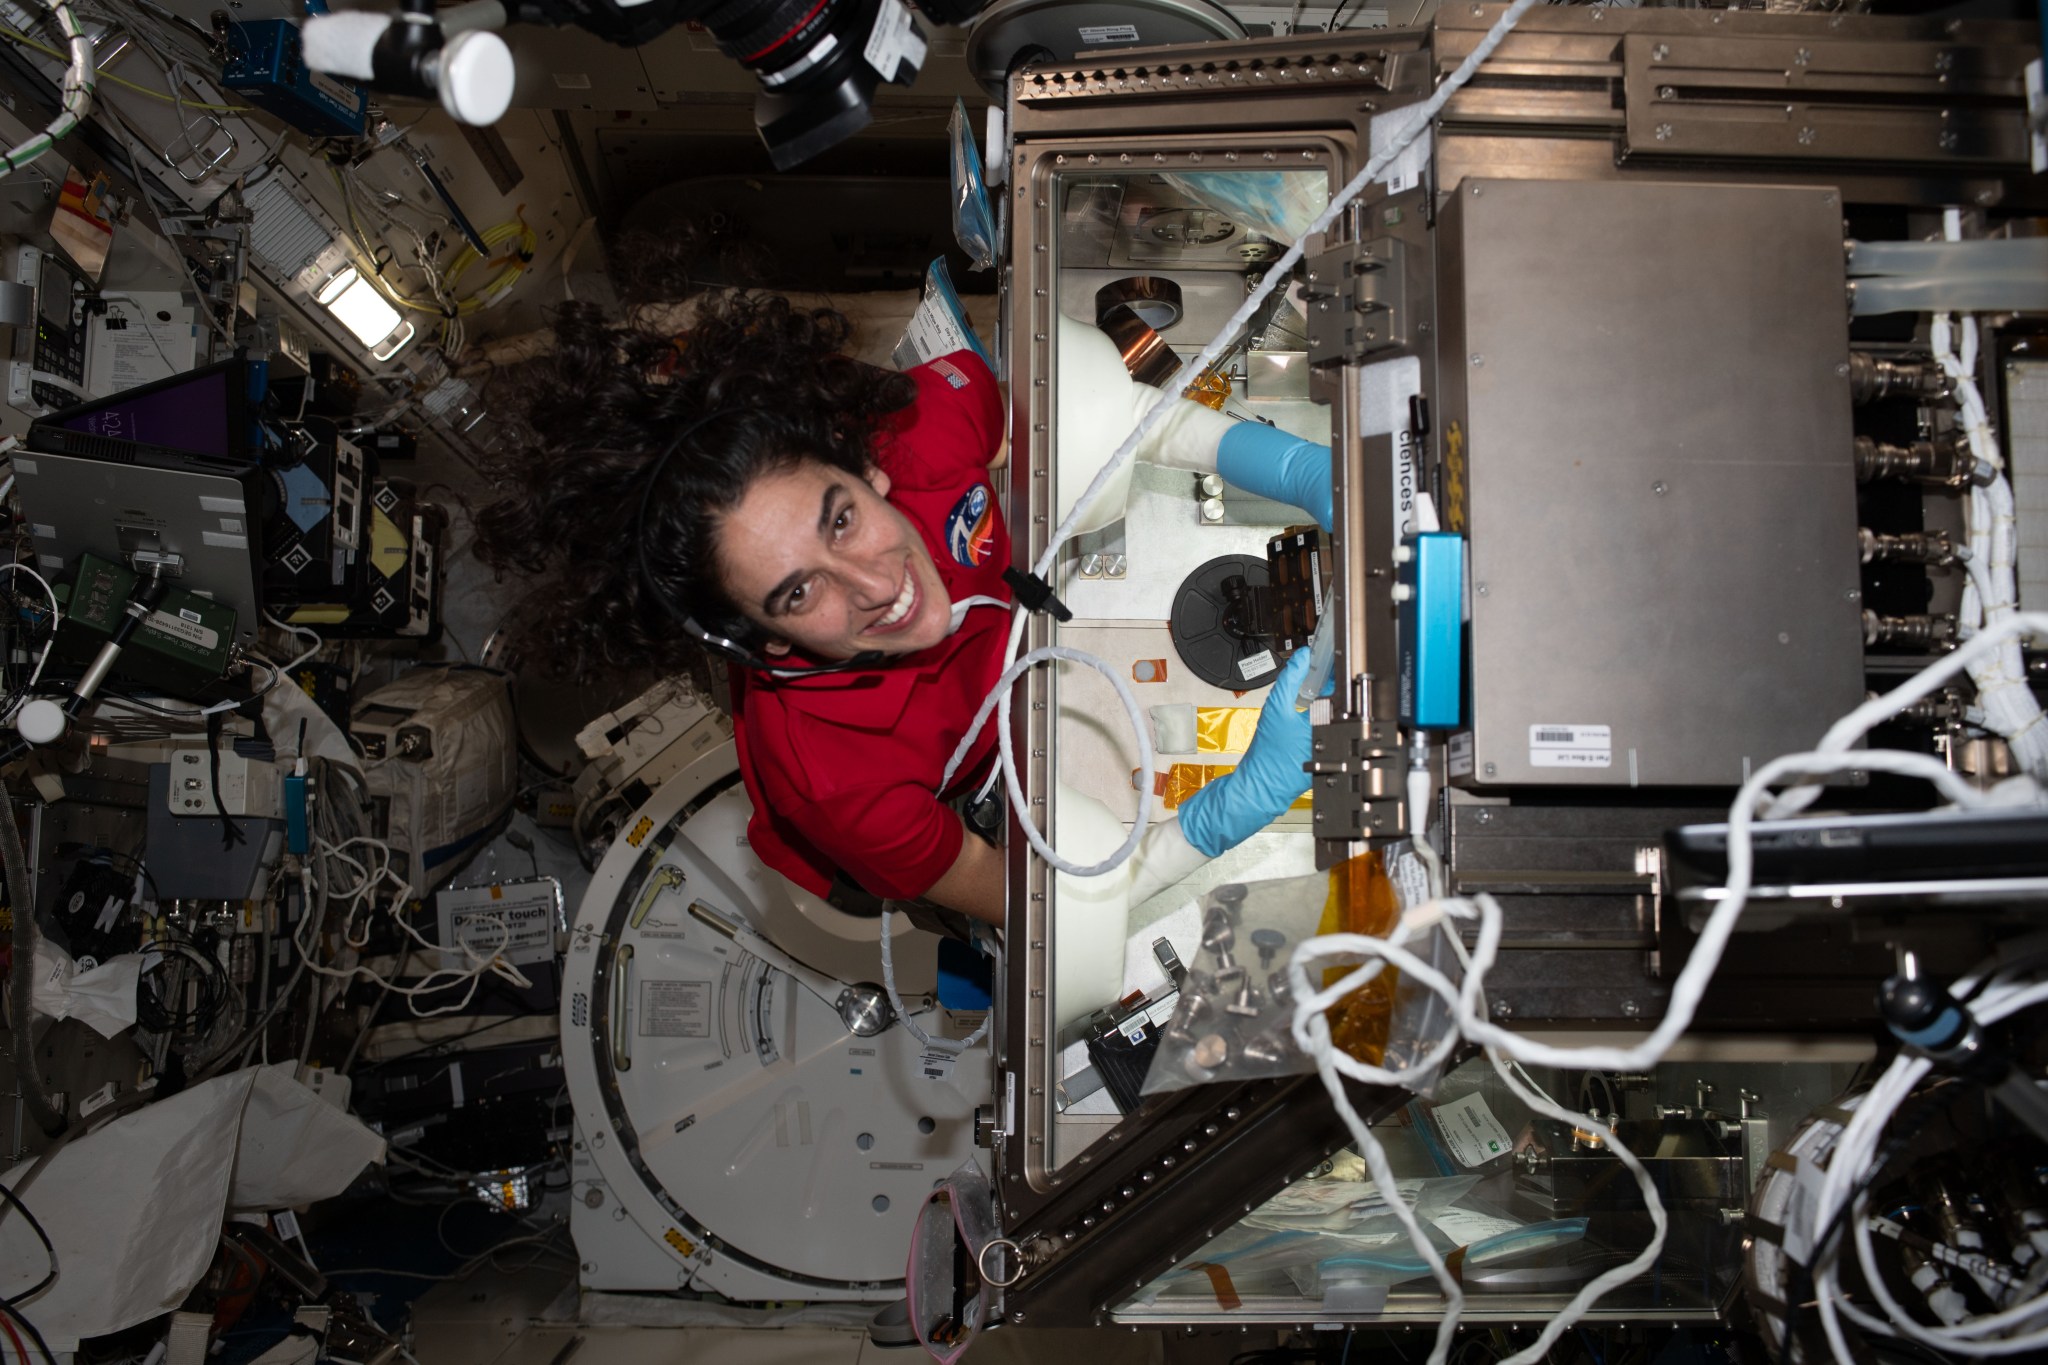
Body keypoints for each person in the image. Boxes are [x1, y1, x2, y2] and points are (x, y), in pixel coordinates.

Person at [478, 289, 1334, 928]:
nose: (878, 586)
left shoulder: (918, 434)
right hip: (938, 813)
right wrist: (1236, 807)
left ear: (866, 468)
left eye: (841, 518)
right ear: (752, 636)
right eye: (800, 592)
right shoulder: (834, 779)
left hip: (1002, 651)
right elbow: (1027, 901)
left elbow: (1120, 423)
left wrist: (1289, 467)